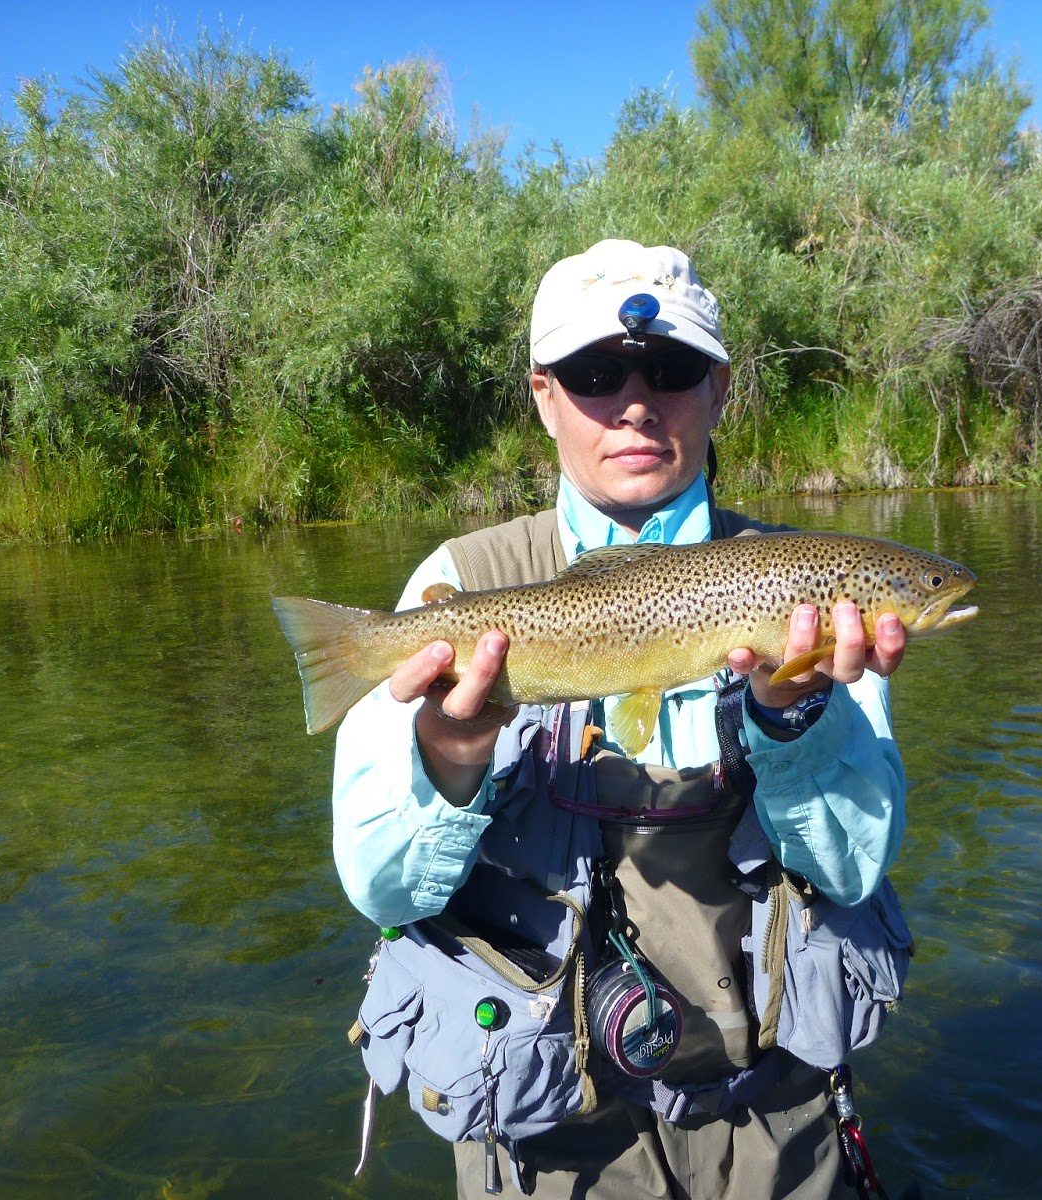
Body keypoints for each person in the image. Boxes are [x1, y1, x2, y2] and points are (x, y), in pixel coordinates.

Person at [331, 239, 913, 1200]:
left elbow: (850, 869)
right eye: (596, 373)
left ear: (720, 389)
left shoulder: (808, 588)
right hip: (551, 1132)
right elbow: (382, 893)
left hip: (776, 1119)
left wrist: (799, 717)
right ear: (543, 395)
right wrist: (451, 747)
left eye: (671, 369)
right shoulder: (463, 583)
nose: (636, 402)